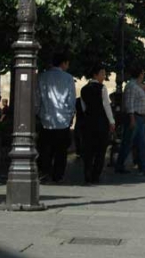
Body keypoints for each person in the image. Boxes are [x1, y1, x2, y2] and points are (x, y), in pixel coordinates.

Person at [36, 52, 76, 183]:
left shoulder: (42, 77)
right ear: (63, 63)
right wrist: (70, 116)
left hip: (46, 120)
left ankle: (44, 172)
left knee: (45, 149)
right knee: (61, 151)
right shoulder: (69, 78)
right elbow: (71, 100)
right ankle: (58, 175)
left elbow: (37, 98)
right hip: (62, 121)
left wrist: (38, 113)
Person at [80, 64, 116, 184]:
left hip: (88, 122)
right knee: (100, 151)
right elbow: (106, 105)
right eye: (102, 73)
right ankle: (96, 175)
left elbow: (83, 106)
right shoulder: (102, 88)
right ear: (95, 74)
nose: (104, 76)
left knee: (88, 150)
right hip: (101, 122)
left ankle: (87, 174)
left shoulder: (84, 89)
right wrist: (112, 121)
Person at [115, 66, 145, 175]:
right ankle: (120, 165)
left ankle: (144, 166)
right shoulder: (131, 86)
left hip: (141, 118)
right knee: (128, 142)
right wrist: (132, 118)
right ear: (139, 74)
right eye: (142, 73)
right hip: (135, 117)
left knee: (141, 143)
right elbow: (129, 103)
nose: (143, 76)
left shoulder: (138, 86)